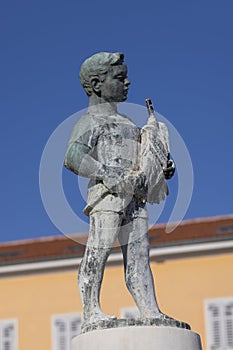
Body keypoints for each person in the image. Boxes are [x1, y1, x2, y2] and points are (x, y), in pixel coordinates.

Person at [64, 52, 175, 326]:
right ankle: (91, 311)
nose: (127, 83)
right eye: (120, 77)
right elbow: (72, 157)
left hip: (135, 196)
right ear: (97, 84)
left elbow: (142, 159)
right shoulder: (89, 121)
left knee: (139, 256)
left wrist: (161, 168)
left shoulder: (129, 123)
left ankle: (150, 310)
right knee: (98, 250)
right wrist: (104, 173)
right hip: (107, 197)